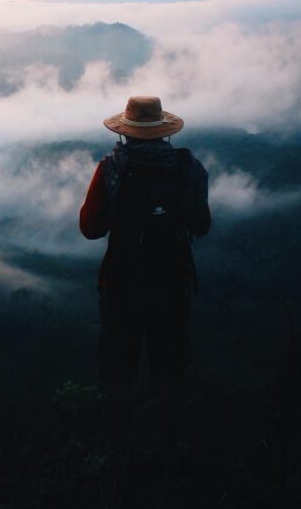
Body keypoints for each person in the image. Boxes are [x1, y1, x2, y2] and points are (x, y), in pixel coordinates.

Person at [79, 95, 211, 466]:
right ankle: (169, 450)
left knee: (118, 369)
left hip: (121, 285)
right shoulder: (188, 168)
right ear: (164, 132)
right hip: (172, 283)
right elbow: (201, 224)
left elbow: (90, 229)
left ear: (126, 133)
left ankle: (118, 453)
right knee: (170, 366)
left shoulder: (110, 170)